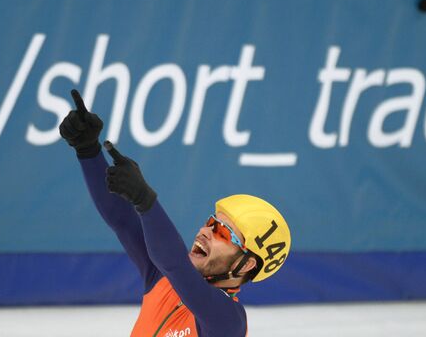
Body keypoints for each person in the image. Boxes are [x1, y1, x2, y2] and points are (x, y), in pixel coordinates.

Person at [59, 90, 291, 336]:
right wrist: (88, 151)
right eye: (211, 222)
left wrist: (145, 199)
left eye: (222, 232)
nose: (204, 231)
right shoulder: (164, 280)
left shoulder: (228, 322)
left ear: (246, 264)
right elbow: (123, 222)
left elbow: (175, 264)